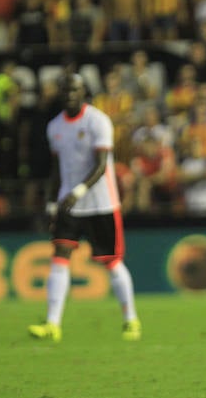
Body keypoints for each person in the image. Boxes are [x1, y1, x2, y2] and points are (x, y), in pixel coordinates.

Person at [28, 73, 141, 343]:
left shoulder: (97, 121)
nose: (70, 94)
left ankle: (130, 319)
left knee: (111, 263)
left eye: (75, 90)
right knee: (59, 257)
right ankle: (53, 324)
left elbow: (101, 165)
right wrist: (53, 203)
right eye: (65, 89)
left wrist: (77, 191)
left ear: (84, 93)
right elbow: (57, 169)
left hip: (101, 203)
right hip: (69, 205)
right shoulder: (54, 126)